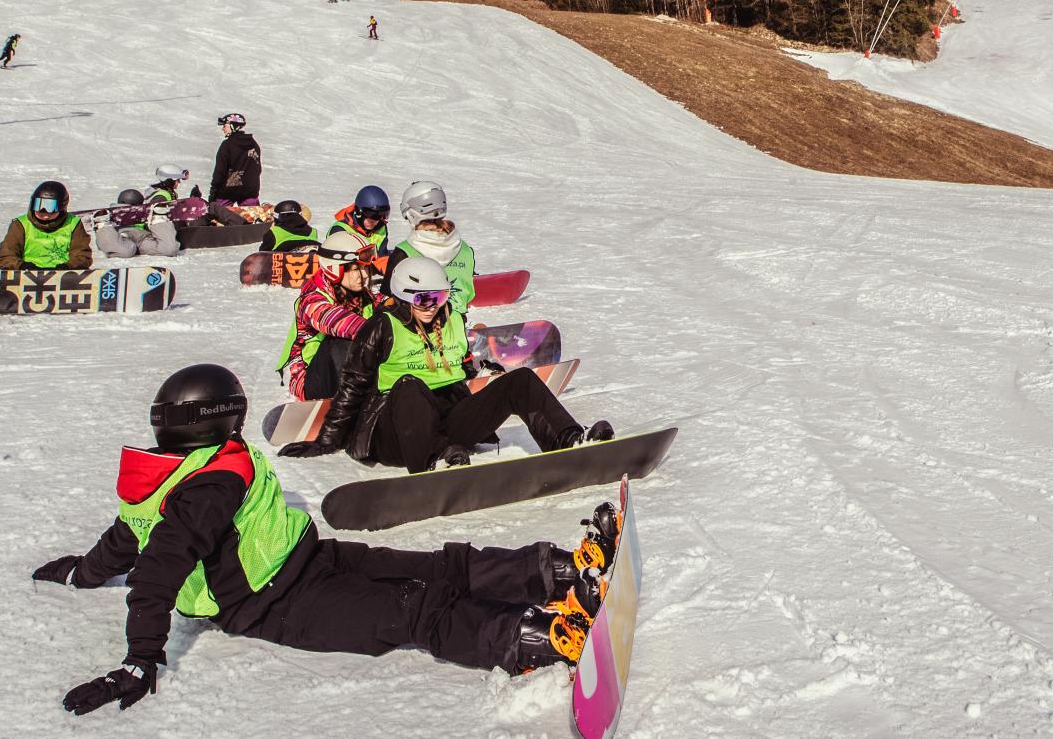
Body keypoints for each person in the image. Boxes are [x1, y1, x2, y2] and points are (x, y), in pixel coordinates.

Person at [33, 365, 616, 715]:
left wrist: (80, 572)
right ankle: (531, 637)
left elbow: (121, 539)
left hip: (311, 559)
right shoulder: (203, 487)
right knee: (409, 611)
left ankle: (554, 572)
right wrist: (140, 660)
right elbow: (156, 570)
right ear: (219, 420)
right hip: (276, 606)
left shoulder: (178, 469)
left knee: (436, 568)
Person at [282, 258, 612, 473]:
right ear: (403, 296)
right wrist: (327, 440)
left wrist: (485, 377)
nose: (432, 307)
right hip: (394, 431)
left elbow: (461, 367)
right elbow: (352, 386)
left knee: (521, 380)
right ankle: (434, 460)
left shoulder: (452, 320)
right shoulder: (381, 327)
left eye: (438, 298)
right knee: (410, 385)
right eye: (424, 300)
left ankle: (568, 440)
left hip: (447, 423)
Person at [278, 231, 378, 399]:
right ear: (334, 269)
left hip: (345, 376)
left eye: (365, 267)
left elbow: (388, 306)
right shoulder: (312, 299)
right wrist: (381, 330)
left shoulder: (359, 294)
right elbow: (337, 320)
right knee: (341, 340)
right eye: (356, 269)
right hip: (311, 380)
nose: (365, 275)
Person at [384, 181, 474, 308]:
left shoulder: (405, 252)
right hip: (457, 323)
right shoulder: (466, 250)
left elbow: (389, 295)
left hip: (420, 323)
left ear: (410, 214)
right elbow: (468, 292)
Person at [0, 180, 93, 271]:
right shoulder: (21, 225)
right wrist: (22, 266)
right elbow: (6, 255)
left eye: (51, 207)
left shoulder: (73, 224)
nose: (45, 212)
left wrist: (68, 267)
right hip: (27, 274)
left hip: (64, 276)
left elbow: (82, 255)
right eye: (39, 205)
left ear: (62, 207)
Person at [96, 189, 182, 259]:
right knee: (126, 252)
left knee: (169, 249)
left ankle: (158, 218)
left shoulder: (143, 214)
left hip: (142, 238)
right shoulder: (114, 214)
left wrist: (156, 222)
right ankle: (103, 226)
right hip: (122, 237)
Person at [209, 113, 262, 221]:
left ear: (232, 126)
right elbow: (257, 168)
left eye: (225, 125)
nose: (223, 129)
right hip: (250, 189)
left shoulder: (227, 145)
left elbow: (220, 171)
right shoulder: (253, 144)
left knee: (219, 215)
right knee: (252, 216)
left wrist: (214, 191)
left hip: (229, 189)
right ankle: (254, 227)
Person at [328, 184, 391, 252]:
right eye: (372, 215)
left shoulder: (381, 228)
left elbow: (382, 256)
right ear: (358, 212)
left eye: (381, 215)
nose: (375, 221)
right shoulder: (340, 230)